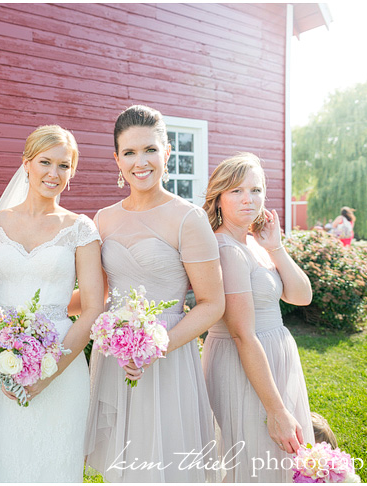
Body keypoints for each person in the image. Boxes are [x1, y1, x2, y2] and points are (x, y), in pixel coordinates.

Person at [84, 105, 224, 482]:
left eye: (149, 150)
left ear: (167, 152)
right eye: (129, 152)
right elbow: (96, 297)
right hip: (114, 355)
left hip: (167, 355)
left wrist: (157, 345)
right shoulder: (104, 218)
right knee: (124, 467)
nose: (139, 162)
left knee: (167, 465)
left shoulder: (187, 218)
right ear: (116, 159)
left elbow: (212, 303)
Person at [0, 125, 104, 482]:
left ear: (72, 172)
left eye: (64, 165)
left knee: (56, 464)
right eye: (45, 162)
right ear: (26, 164)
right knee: (5, 460)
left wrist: (51, 370)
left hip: (62, 360)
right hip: (3, 362)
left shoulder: (80, 228)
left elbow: (93, 306)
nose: (54, 173)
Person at [201, 152, 314, 482]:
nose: (248, 199)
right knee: (254, 458)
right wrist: (276, 410)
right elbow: (241, 334)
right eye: (236, 191)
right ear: (219, 199)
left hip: (272, 355)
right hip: (243, 362)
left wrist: (275, 247)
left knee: (276, 459)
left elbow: (301, 296)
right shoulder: (226, 249)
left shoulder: (253, 243)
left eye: (256, 189)